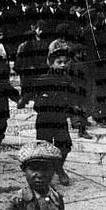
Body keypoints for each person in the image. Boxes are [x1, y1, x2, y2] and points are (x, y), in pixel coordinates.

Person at [33, 47, 79, 186]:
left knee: (65, 146)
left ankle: (58, 168)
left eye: (65, 62)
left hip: (60, 119)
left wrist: (74, 118)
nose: (63, 65)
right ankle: (45, 172)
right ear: (51, 63)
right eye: (59, 62)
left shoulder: (69, 81)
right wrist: (24, 100)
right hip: (44, 119)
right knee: (44, 148)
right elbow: (32, 93)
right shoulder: (43, 79)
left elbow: (72, 101)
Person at [10, 141, 65, 210]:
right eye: (33, 169)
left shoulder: (56, 198)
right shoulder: (19, 201)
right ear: (23, 169)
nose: (39, 175)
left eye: (45, 169)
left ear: (54, 170)